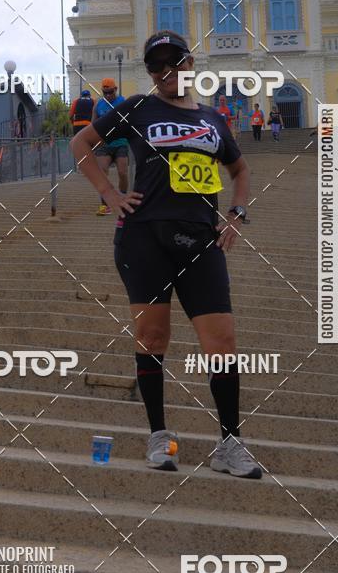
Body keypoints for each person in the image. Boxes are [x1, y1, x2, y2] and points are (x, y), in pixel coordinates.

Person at [71, 29, 261, 479]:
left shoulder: (214, 119)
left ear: (189, 64)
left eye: (175, 62)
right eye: (157, 66)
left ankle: (229, 445)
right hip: (143, 239)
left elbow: (240, 168)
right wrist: (109, 194)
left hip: (201, 241)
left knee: (223, 344)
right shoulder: (137, 106)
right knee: (152, 340)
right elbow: (80, 145)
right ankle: (159, 436)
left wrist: (235, 213)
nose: (167, 72)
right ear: (151, 73)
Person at [92, 78, 129, 216]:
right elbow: (93, 125)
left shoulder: (123, 102)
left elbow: (130, 121)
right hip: (104, 143)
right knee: (102, 173)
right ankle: (104, 204)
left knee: (123, 172)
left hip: (121, 142)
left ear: (116, 90)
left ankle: (122, 198)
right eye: (105, 92)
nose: (108, 95)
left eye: (110, 92)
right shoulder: (98, 105)